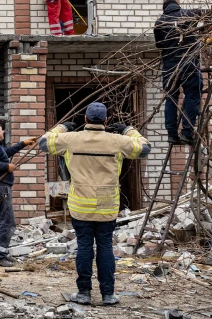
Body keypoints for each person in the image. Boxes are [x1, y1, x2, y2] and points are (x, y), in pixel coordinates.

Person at [38, 102, 151, 305]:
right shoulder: (116, 141)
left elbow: (44, 143)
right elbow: (144, 149)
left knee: (84, 247)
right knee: (105, 246)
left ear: (86, 120)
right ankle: (108, 294)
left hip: (80, 202)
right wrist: (128, 130)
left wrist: (63, 127)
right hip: (107, 202)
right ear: (106, 121)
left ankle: (84, 293)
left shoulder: (72, 140)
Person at [153, 0, 211, 145]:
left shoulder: (159, 23)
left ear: (164, 9)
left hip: (170, 67)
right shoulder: (189, 14)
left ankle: (172, 135)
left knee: (171, 99)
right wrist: (202, 32)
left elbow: (159, 45)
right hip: (189, 64)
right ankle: (186, 133)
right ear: (178, 6)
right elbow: (210, 14)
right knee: (192, 96)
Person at [0, 122, 37, 265]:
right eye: (1, 130)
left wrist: (23, 143)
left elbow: (6, 152)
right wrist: (7, 166)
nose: (3, 132)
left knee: (0, 220)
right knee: (7, 221)